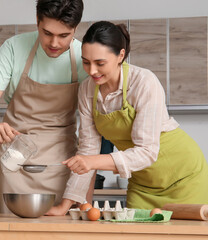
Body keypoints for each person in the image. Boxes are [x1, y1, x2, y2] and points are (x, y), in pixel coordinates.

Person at [49, 21, 208, 214]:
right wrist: (65, 205)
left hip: (185, 178)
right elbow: (87, 150)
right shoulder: (87, 90)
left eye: (100, 63)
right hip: (143, 184)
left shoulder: (143, 82)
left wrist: (93, 161)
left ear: (120, 56)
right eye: (86, 62)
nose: (91, 71)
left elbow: (147, 152)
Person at [0, 0, 90, 213]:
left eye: (64, 36)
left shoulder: (85, 59)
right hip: (14, 164)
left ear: (75, 28)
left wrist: (83, 194)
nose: (54, 43)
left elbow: (91, 131)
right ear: (37, 22)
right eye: (47, 33)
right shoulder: (13, 48)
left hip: (62, 165)